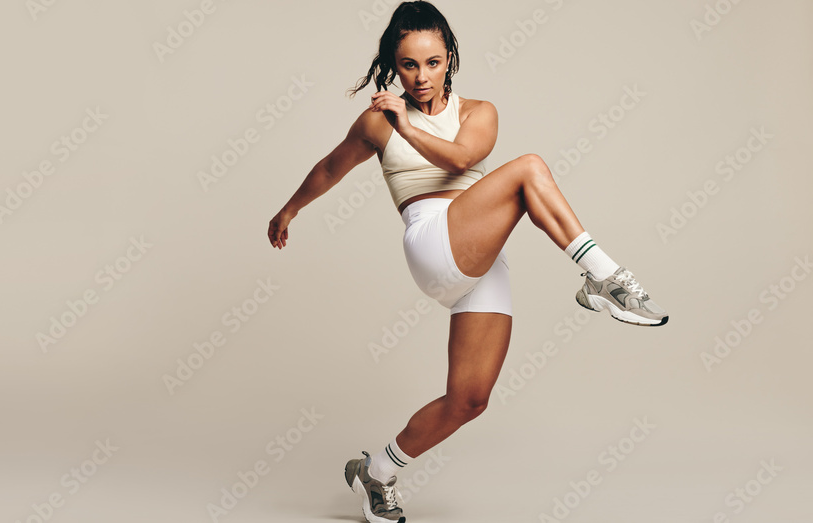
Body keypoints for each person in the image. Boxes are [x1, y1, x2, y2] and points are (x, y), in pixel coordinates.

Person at [266, 2, 668, 521]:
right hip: (431, 241)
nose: (421, 77)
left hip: (480, 260)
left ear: (449, 57)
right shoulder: (376, 122)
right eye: (409, 65)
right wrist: (289, 209)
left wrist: (404, 125)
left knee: (469, 400)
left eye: (433, 62)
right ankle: (605, 278)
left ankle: (377, 474)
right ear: (394, 63)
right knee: (528, 169)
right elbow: (330, 166)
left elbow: (459, 158)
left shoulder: (479, 112)